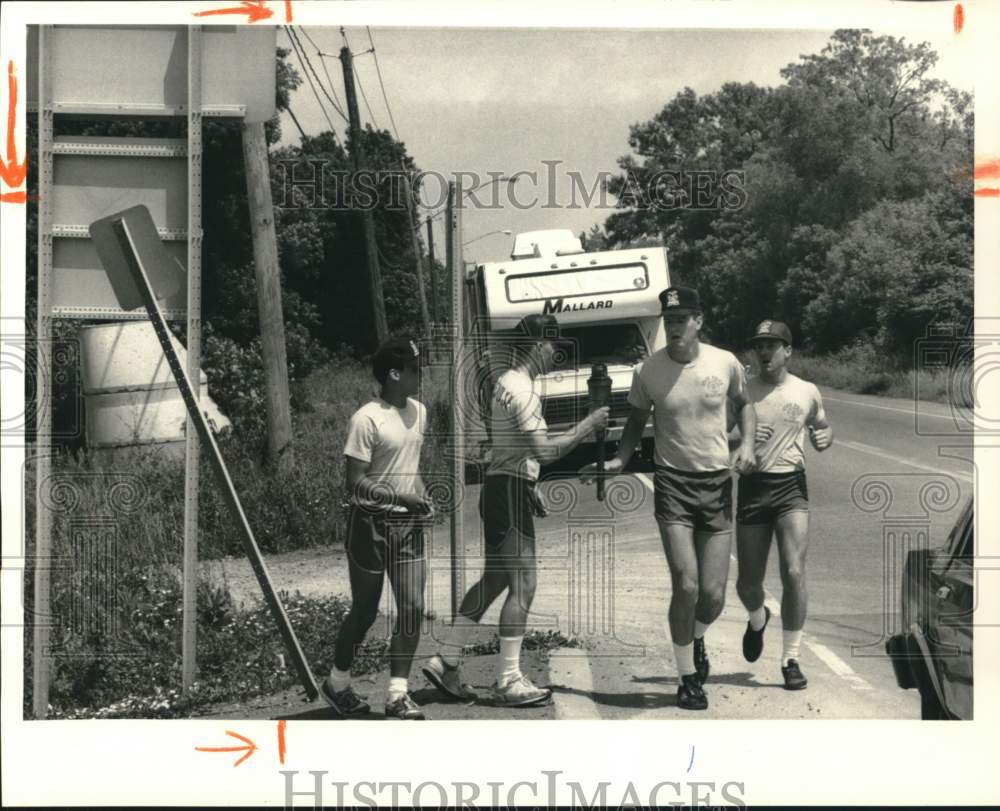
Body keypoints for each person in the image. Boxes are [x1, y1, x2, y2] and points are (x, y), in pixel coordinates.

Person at [580, 287, 756, 711]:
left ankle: (695, 639)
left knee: (712, 596)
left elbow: (745, 404)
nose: (675, 327)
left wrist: (747, 443)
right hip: (673, 485)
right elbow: (637, 418)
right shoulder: (648, 371)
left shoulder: (725, 362)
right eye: (669, 320)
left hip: (716, 485)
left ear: (698, 320)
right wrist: (620, 459)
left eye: (682, 319)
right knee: (687, 583)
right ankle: (687, 677)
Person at [423, 313, 610, 707]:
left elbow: (510, 446)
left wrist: (531, 480)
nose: (555, 354)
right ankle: (507, 679)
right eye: (553, 347)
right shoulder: (523, 390)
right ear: (539, 346)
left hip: (501, 485)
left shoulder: (504, 384)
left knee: (494, 579)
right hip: (507, 490)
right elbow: (543, 449)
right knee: (523, 584)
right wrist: (587, 425)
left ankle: (448, 658)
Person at [321, 337, 434, 720]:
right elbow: (354, 483)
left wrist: (419, 496)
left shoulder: (420, 411)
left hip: (407, 525)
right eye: (416, 369)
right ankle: (338, 682)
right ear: (394, 374)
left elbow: (410, 466)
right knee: (366, 611)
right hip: (369, 523)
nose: (422, 375)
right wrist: (402, 499)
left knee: (413, 607)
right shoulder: (366, 418)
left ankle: (397, 694)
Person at [734, 320, 833, 690]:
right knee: (748, 584)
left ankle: (791, 659)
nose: (764, 352)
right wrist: (738, 438)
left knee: (793, 572)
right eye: (759, 346)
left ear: (788, 351)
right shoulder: (743, 392)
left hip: (791, 487)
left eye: (772, 345)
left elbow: (822, 425)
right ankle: (758, 617)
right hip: (753, 488)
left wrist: (825, 436)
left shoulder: (806, 390)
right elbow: (717, 437)